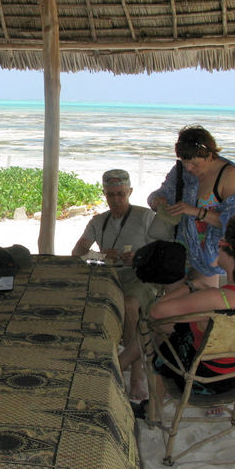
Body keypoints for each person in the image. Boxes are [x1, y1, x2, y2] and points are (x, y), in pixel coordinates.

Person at [120, 216, 235, 415]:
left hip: (202, 379)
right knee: (165, 328)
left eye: (220, 243)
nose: (216, 246)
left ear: (232, 253)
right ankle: (124, 369)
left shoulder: (217, 298)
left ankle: (148, 404)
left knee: (154, 327)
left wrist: (191, 285)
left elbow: (156, 311)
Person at [71, 169, 158, 401]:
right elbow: (77, 251)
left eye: (121, 194)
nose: (116, 199)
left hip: (140, 275)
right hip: (109, 274)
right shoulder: (99, 221)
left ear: (130, 192)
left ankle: (136, 374)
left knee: (129, 304)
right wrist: (99, 255)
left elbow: (161, 252)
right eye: (111, 195)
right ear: (105, 194)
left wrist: (138, 258)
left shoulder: (145, 216)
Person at [148, 124, 235, 290]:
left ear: (209, 155)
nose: (188, 168)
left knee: (202, 302)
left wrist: (196, 212)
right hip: (178, 248)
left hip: (209, 252)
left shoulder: (227, 174)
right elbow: (159, 193)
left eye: (194, 163)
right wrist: (156, 201)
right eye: (184, 162)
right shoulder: (180, 170)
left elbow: (234, 222)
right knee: (172, 302)